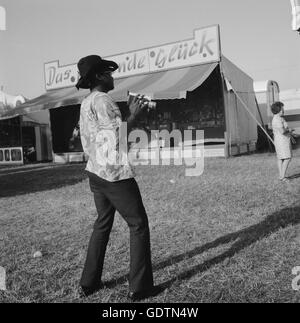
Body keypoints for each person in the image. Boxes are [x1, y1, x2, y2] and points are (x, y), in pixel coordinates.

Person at [76, 55, 162, 301]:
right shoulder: (103, 100)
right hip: (114, 174)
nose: (113, 77)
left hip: (95, 171)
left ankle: (88, 283)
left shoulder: (87, 102)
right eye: (109, 73)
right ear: (100, 76)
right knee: (138, 224)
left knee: (102, 223)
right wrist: (134, 115)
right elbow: (114, 138)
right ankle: (140, 287)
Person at [271, 101, 293, 182]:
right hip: (282, 141)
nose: (283, 110)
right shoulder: (277, 119)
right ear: (278, 110)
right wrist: (289, 130)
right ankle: (282, 177)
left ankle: (281, 176)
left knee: (280, 158)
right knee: (287, 157)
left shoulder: (280, 118)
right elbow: (282, 131)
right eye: (282, 109)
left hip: (281, 141)